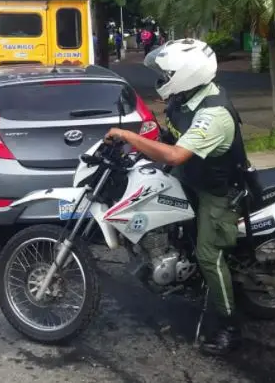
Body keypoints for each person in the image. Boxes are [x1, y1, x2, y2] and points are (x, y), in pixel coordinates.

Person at [104, 39, 247, 356]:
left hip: (217, 190)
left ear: (186, 74)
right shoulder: (185, 100)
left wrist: (129, 136)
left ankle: (229, 328)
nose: (162, 78)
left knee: (210, 255)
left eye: (167, 72)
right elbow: (170, 136)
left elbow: (176, 153)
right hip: (193, 178)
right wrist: (135, 149)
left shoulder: (214, 115)